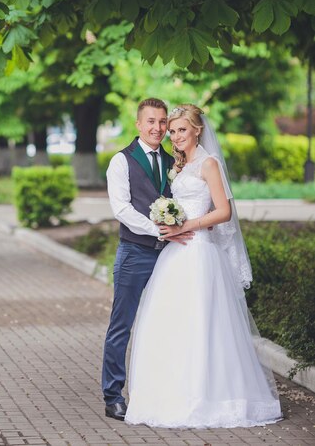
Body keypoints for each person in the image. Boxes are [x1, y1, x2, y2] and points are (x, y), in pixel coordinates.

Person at [125, 104, 282, 428]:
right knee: (173, 322)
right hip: (176, 254)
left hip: (200, 254)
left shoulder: (209, 164)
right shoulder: (180, 168)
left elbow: (223, 211)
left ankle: (207, 396)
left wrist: (188, 225)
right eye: (173, 131)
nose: (176, 136)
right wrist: (168, 219)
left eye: (182, 130)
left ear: (198, 129)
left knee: (203, 323)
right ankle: (170, 395)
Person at [102, 98, 194, 421]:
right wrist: (158, 230)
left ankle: (158, 391)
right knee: (122, 325)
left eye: (161, 122)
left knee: (164, 325)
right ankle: (113, 394)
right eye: (151, 122)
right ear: (139, 124)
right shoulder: (121, 161)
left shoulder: (174, 162)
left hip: (169, 257)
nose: (157, 128)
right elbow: (122, 209)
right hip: (135, 253)